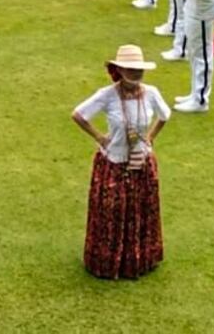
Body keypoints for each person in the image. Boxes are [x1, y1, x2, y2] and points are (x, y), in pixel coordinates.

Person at [71, 45, 169, 280]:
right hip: (114, 163)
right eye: (131, 69)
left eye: (139, 69)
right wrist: (100, 138)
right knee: (112, 212)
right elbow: (79, 115)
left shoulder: (151, 93)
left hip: (141, 163)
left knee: (141, 210)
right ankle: (108, 261)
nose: (136, 74)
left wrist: (150, 138)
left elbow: (165, 115)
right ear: (120, 70)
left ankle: (139, 258)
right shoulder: (107, 95)